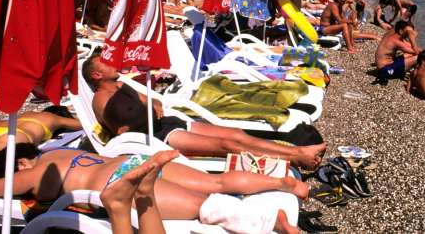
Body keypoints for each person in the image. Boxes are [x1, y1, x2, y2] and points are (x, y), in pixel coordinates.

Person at [0, 146, 303, 234]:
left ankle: (274, 222)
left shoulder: (33, 172)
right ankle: (282, 184)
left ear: (19, 164)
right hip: (129, 160)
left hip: (114, 184)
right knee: (217, 183)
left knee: (207, 206)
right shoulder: (59, 151)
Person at [84, 56, 326, 169]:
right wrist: (150, 110)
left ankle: (297, 150)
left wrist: (152, 109)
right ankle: (294, 158)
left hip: (166, 123)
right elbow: (122, 129)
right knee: (225, 146)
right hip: (154, 139)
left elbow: (155, 103)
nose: (110, 60)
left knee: (236, 134)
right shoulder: (101, 100)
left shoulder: (121, 85)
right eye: (104, 61)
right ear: (96, 75)